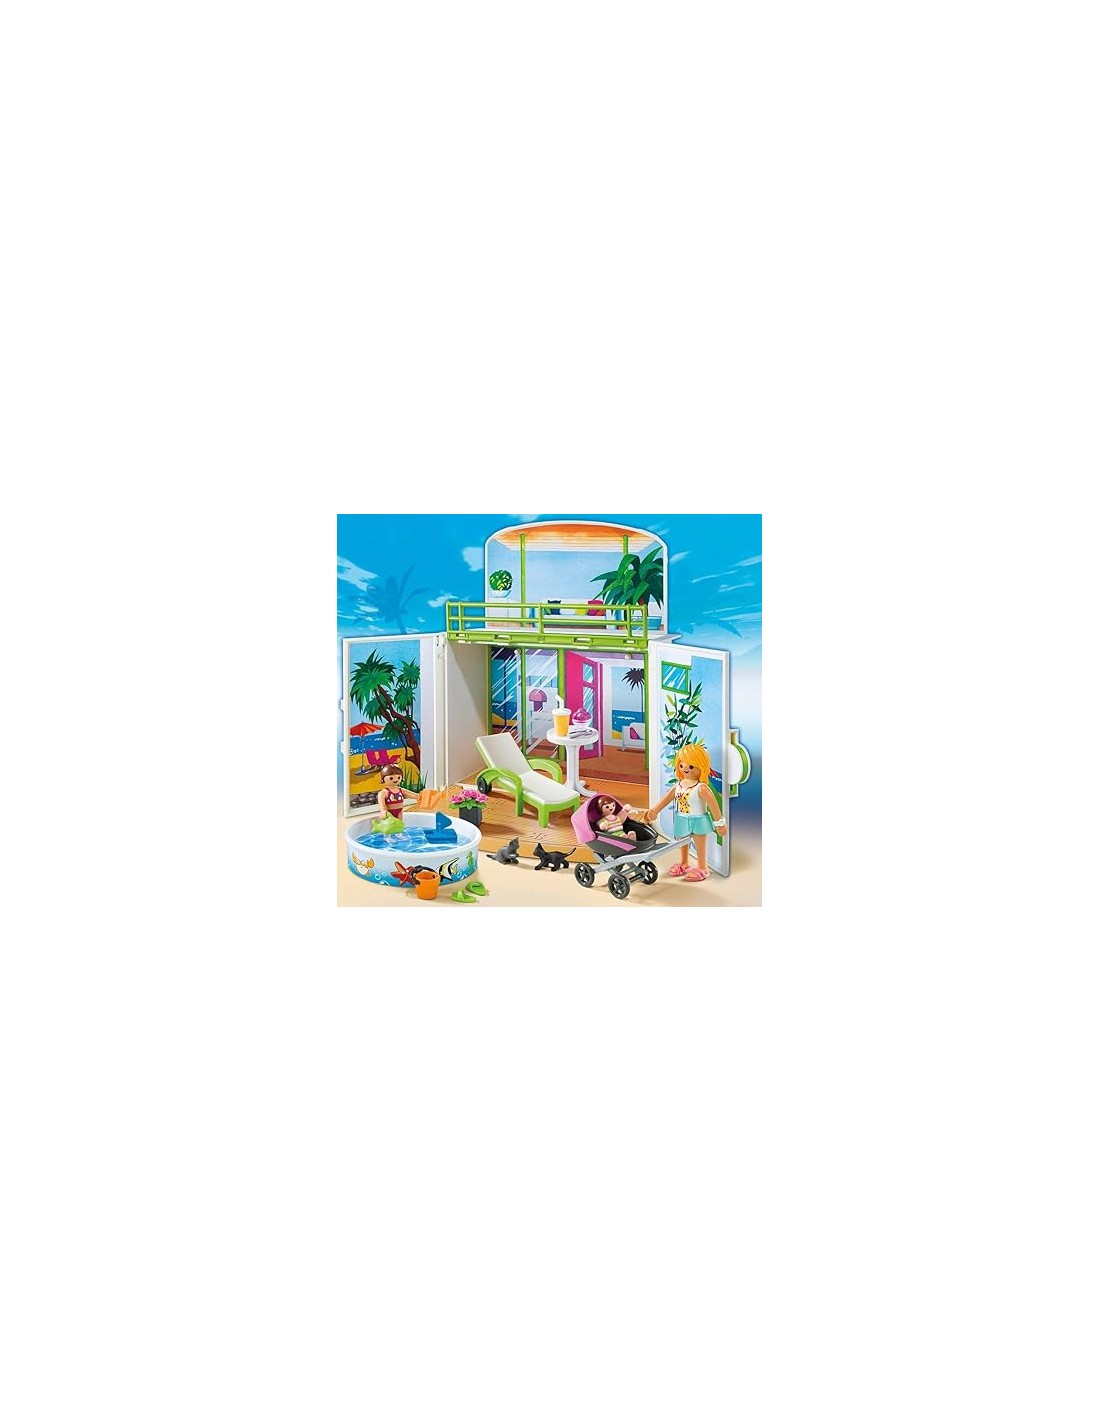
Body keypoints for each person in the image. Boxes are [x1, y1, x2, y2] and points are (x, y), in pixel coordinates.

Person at [639, 742, 726, 882]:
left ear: (701, 767)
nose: (685, 768)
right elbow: (666, 799)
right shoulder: (678, 786)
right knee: (682, 843)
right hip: (682, 818)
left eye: (691, 766)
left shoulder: (702, 788)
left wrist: (720, 824)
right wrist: (654, 811)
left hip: (698, 819)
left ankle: (702, 867)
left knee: (700, 844)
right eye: (682, 765)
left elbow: (714, 806)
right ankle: (684, 863)